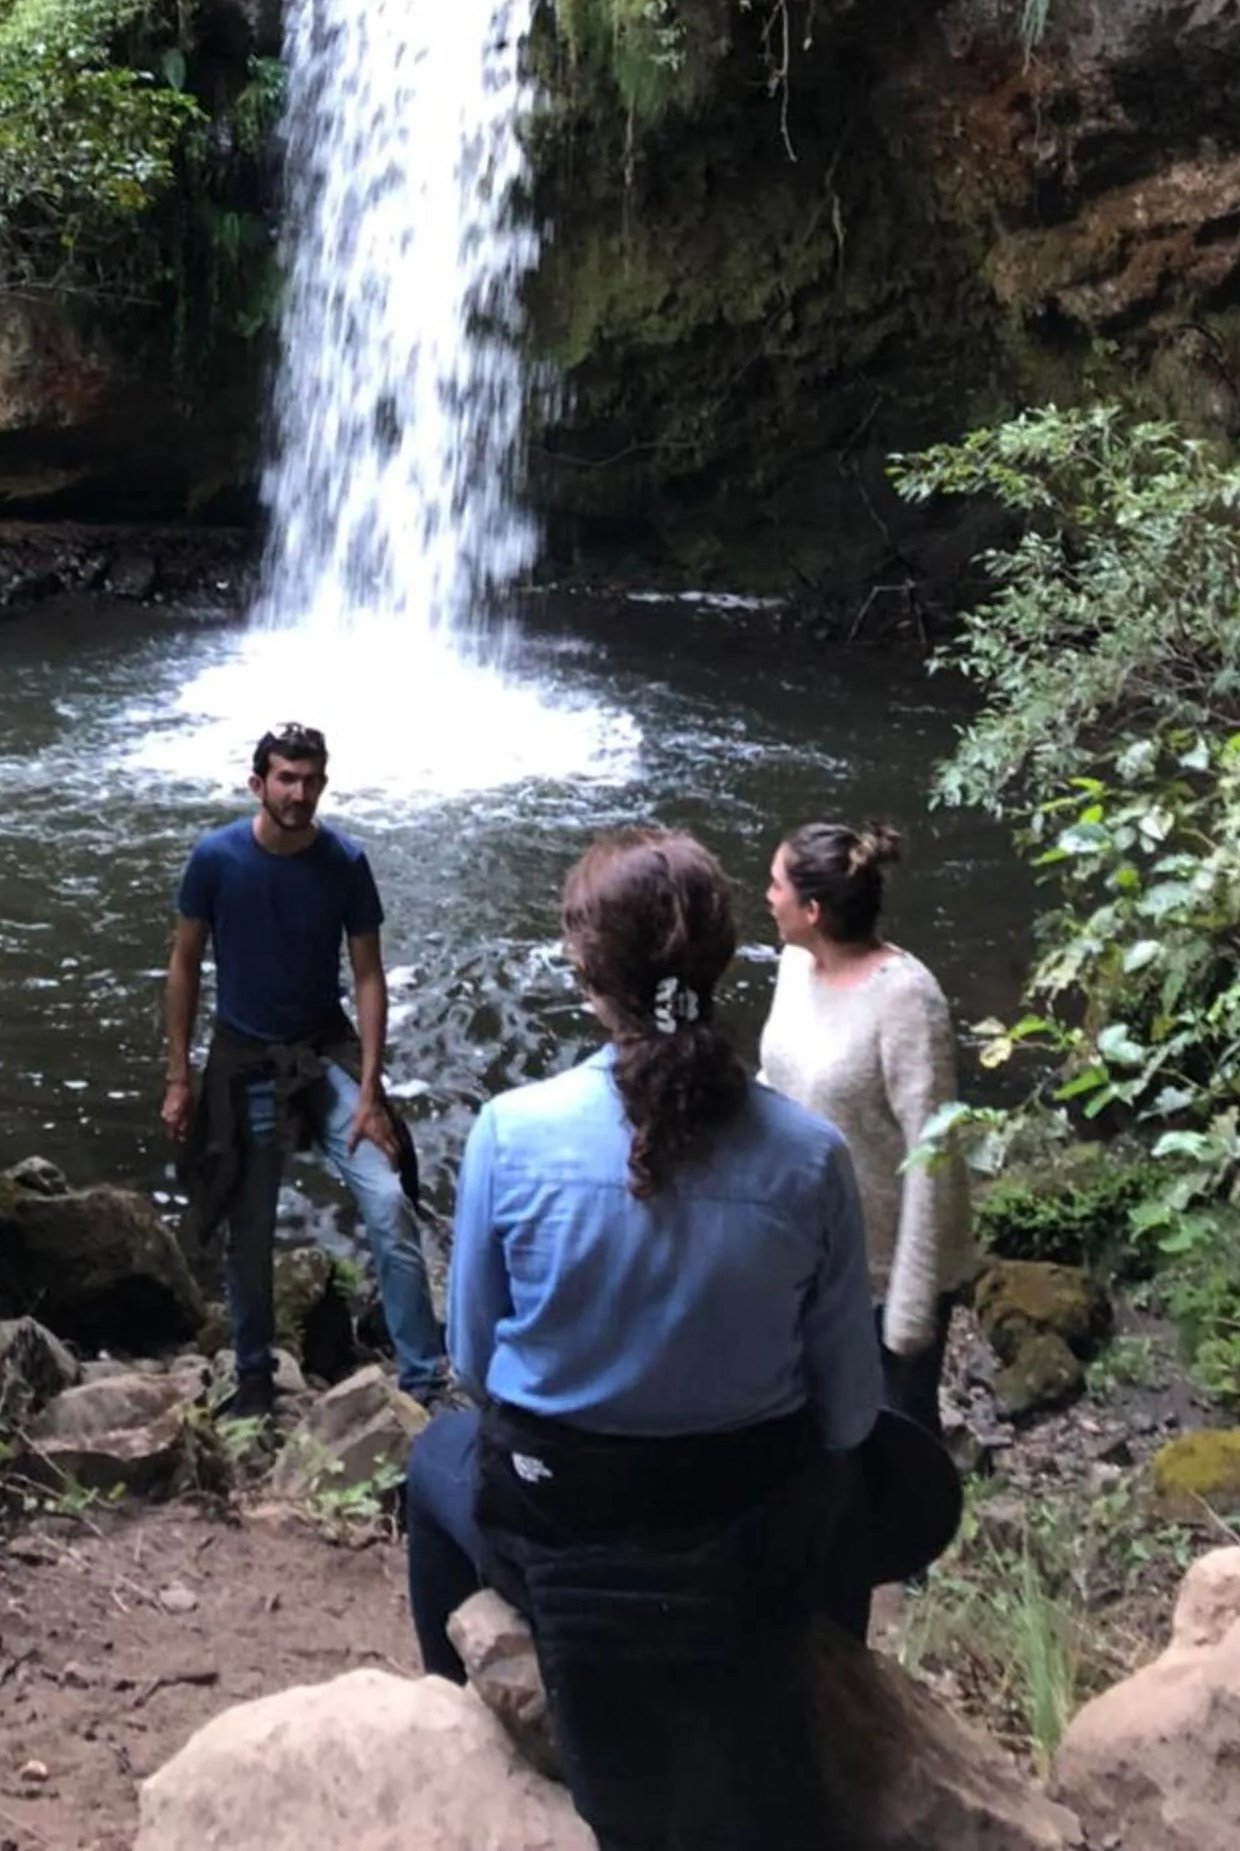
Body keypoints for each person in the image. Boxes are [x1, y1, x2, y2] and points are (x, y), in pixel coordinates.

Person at [404, 828, 882, 1851]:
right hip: (741, 1540)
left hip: (560, 1529)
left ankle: (463, 1724)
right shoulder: (809, 1159)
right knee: (854, 1473)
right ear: (720, 968)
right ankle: (821, 1674)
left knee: (433, 1458)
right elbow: (847, 1411)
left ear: (587, 974)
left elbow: (478, 1368)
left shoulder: (511, 1133)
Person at [162, 721, 447, 1416]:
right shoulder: (216, 859)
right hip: (244, 1055)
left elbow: (370, 976)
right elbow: (184, 964)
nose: (300, 793)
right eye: (286, 779)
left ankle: (424, 1385)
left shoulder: (344, 863)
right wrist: (178, 1077)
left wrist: (371, 1092)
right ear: (258, 783)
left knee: (385, 1199)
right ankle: (254, 1378)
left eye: (311, 779)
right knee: (249, 1219)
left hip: (324, 1053)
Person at [759, 820, 979, 1440]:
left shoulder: (908, 1002)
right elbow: (776, 1079)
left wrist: (910, 1308)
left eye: (775, 885)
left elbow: (933, 1158)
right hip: (808, 1249)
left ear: (812, 908)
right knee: (815, 1426)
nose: (765, 896)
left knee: (898, 1437)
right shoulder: (792, 968)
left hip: (888, 1264)